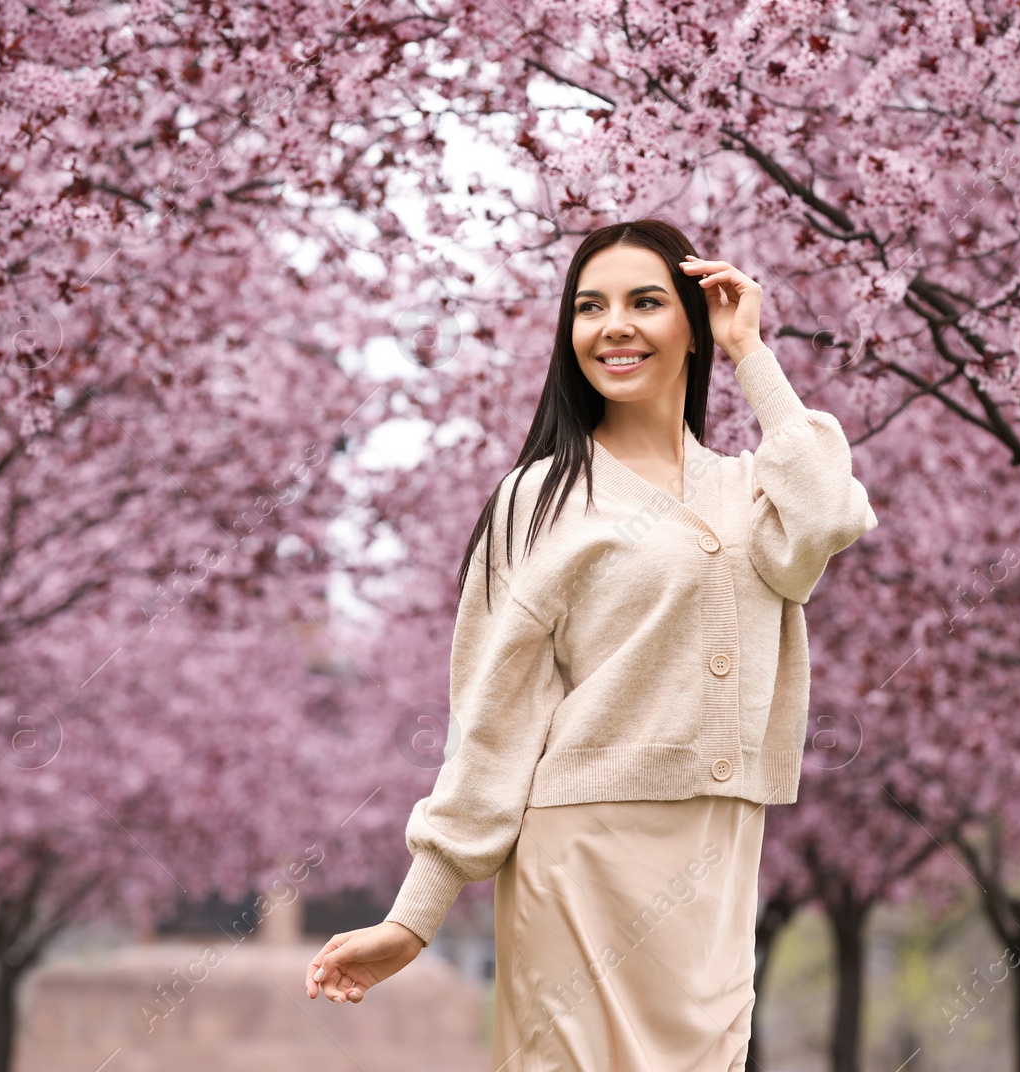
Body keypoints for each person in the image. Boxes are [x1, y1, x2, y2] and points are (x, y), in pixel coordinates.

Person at [306, 216, 878, 1069]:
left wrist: (751, 353)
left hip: (718, 864)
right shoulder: (539, 499)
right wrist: (414, 916)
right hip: (580, 859)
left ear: (692, 326)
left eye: (646, 302)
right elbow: (494, 719)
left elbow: (833, 514)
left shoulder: (753, 491)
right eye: (589, 307)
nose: (613, 325)